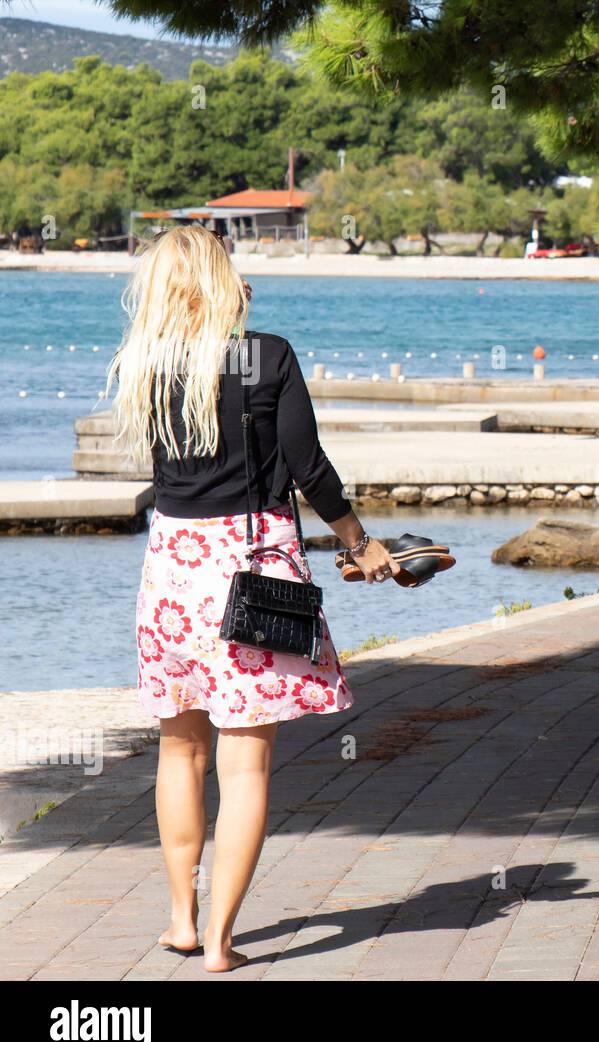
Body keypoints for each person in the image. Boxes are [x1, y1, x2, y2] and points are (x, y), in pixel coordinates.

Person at [105, 225, 398, 972]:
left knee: (179, 750)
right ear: (221, 278)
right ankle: (224, 940)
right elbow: (309, 467)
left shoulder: (146, 362)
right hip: (249, 569)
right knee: (244, 769)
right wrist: (360, 544)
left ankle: (180, 919)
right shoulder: (266, 355)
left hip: (170, 571)